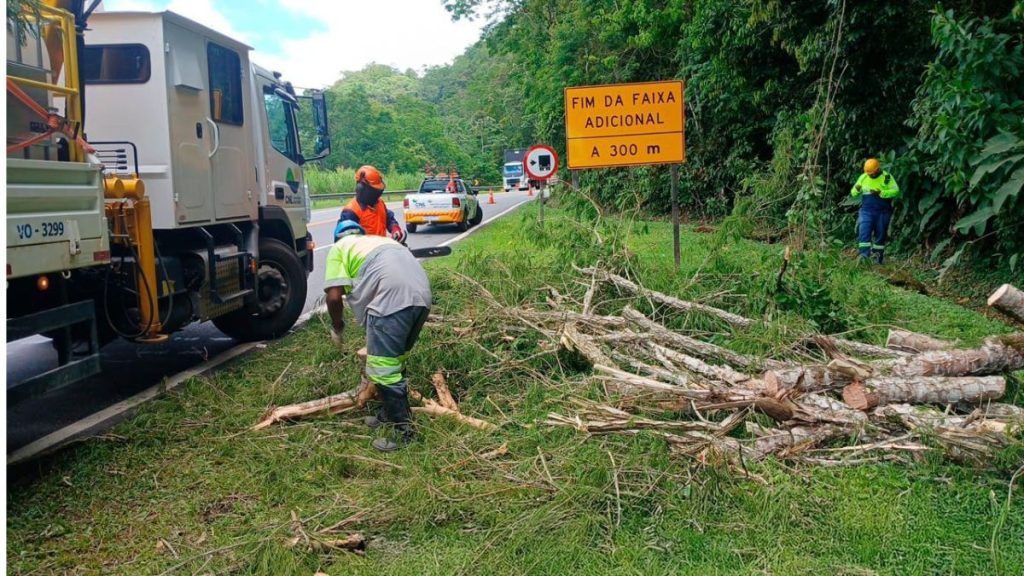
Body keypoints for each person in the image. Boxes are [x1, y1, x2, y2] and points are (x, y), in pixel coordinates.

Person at [323, 219, 432, 452]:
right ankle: (387, 413)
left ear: (337, 239)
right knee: (395, 359)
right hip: (422, 296)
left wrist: (337, 325)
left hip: (392, 301)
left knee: (383, 367)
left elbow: (333, 297)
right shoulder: (378, 241)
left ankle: (405, 433)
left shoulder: (339, 249)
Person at [339, 165, 407, 243]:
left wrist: (394, 228)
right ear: (362, 188)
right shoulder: (351, 211)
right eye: (374, 190)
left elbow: (389, 218)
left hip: (381, 251)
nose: (377, 194)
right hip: (364, 253)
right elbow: (346, 242)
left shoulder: (379, 203)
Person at [851, 158, 900, 263]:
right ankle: (864, 258)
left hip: (883, 211)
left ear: (878, 169)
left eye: (872, 173)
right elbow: (853, 193)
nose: (870, 175)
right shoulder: (863, 177)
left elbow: (895, 191)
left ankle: (877, 259)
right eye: (868, 173)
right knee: (864, 232)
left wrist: (881, 193)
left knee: (880, 235)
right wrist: (857, 189)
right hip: (866, 211)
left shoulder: (886, 177)